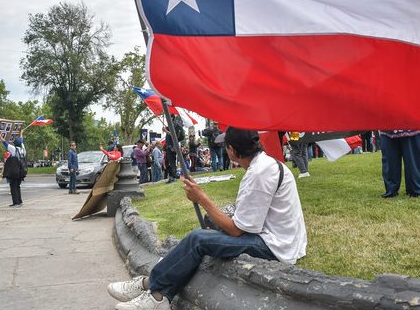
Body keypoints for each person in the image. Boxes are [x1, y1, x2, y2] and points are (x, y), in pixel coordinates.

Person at [107, 127, 307, 310]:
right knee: (210, 224)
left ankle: (156, 294)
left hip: (274, 246)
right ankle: (153, 281)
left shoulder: (260, 173)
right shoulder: (263, 165)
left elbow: (237, 230)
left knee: (198, 239)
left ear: (231, 150)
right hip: (274, 236)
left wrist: (201, 198)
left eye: (225, 146)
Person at [379, 130, 420, 198]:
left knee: (413, 160)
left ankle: (414, 190)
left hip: (413, 126)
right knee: (390, 160)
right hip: (387, 127)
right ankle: (391, 189)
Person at [0, 129, 26, 207]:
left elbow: (4, 143)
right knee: (18, 186)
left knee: (13, 186)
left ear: (15, 144)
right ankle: (19, 201)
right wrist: (21, 133)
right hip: (21, 171)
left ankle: (15, 202)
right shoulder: (23, 149)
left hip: (14, 171)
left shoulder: (13, 149)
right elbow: (21, 141)